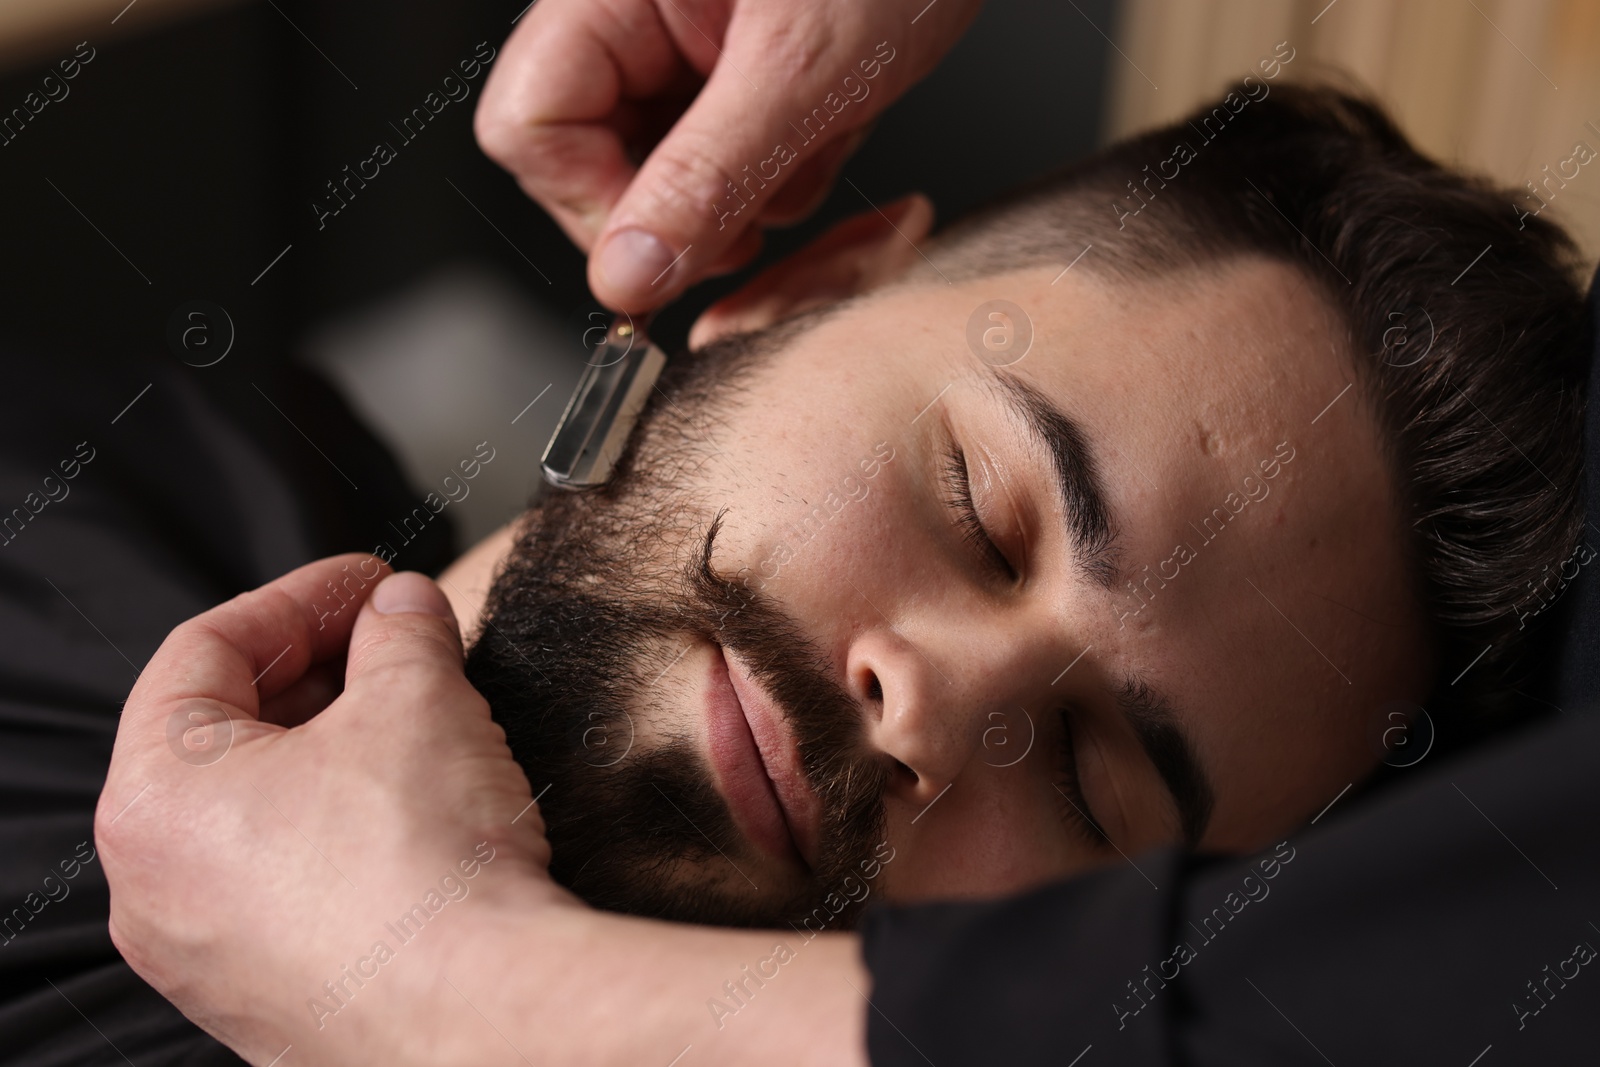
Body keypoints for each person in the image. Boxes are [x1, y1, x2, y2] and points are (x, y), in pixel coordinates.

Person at [90, 81, 1599, 1067]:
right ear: (796, 295)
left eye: (1090, 782)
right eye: (985, 512)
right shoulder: (92, 500)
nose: (933, 707)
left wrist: (443, 988)